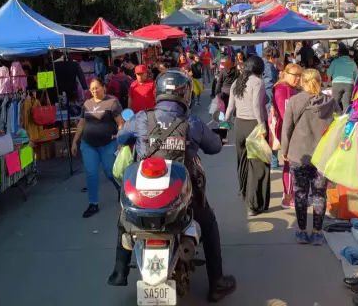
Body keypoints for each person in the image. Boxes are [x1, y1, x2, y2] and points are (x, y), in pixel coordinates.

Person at [107, 70, 237, 303]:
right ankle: (217, 282)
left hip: (144, 199)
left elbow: (120, 138)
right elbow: (215, 147)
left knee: (125, 220)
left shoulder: (141, 119)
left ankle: (120, 271)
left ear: (158, 92)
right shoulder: (193, 123)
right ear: (185, 95)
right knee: (208, 222)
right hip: (182, 199)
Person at [281, 69, 340, 245]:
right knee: (319, 194)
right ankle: (316, 232)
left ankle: (301, 231)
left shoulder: (294, 101)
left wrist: (284, 149)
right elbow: (339, 126)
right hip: (323, 155)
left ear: (303, 82)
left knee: (300, 193)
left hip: (300, 153)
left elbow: (287, 128)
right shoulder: (330, 101)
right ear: (320, 81)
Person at [71, 78, 124, 218]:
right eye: (92, 88)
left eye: (97, 87)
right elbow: (82, 124)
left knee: (109, 171)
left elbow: (120, 123)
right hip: (88, 144)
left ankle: (120, 187)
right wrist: (75, 141)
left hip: (108, 143)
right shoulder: (87, 104)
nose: (95, 90)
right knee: (91, 173)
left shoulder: (112, 102)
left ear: (103, 87)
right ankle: (93, 203)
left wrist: (120, 140)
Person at [225, 56, 270, 216]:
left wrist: (225, 124)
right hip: (253, 125)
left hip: (239, 125)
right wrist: (262, 125)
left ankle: (244, 192)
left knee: (242, 161)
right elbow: (256, 106)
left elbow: (230, 107)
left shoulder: (238, 82)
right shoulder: (258, 82)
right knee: (258, 166)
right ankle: (253, 204)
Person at [272, 63, 303, 209]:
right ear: (286, 74)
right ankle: (288, 197)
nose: (297, 79)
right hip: (287, 131)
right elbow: (286, 115)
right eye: (294, 75)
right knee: (290, 164)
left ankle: (289, 195)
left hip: (291, 131)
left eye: (299, 76)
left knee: (291, 163)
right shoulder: (282, 89)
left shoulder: (289, 89)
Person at [262, 46, 280, 169]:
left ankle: (271, 160)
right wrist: (271, 105)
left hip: (263, 102)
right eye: (275, 58)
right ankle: (273, 160)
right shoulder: (268, 67)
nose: (276, 60)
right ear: (271, 57)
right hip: (269, 103)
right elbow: (269, 87)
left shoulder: (262, 64)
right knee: (273, 131)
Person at [327, 43, 358, 112]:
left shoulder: (335, 62)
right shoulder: (352, 63)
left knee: (335, 104)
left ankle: (336, 119)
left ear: (339, 53)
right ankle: (345, 121)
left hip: (336, 84)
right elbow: (357, 76)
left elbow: (329, 73)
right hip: (349, 85)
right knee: (346, 105)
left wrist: (329, 82)